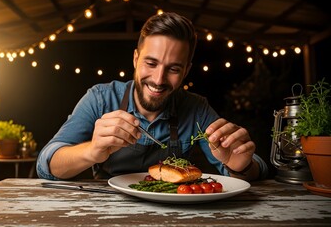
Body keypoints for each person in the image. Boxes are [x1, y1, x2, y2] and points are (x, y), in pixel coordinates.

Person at [37, 12, 268, 181]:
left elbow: (254, 169)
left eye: (174, 69)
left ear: (186, 71)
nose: (158, 79)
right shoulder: (100, 98)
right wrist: (91, 151)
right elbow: (47, 164)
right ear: (136, 59)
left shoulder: (196, 108)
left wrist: (241, 166)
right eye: (151, 63)